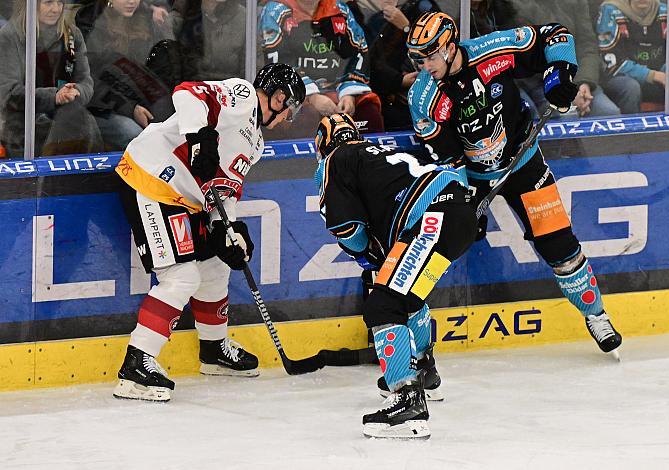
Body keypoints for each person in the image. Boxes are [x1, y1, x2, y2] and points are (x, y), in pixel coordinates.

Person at [405, 13, 623, 358]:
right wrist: (462, 198)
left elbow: (555, 35)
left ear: (450, 46)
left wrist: (559, 74)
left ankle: (596, 315)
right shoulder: (423, 98)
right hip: (473, 179)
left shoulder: (491, 50)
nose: (425, 65)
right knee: (440, 246)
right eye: (420, 59)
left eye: (431, 56)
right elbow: (445, 156)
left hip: (522, 161)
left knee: (557, 240)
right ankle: (414, 335)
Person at [112, 63, 306, 402]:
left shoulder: (256, 144)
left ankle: (214, 348)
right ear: (277, 97)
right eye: (288, 108)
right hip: (151, 178)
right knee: (182, 277)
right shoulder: (243, 96)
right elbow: (187, 91)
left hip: (183, 197)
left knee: (216, 263)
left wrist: (227, 228)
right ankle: (135, 365)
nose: (286, 117)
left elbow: (224, 190)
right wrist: (199, 137)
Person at [313, 113, 477, 439]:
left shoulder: (334, 160)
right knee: (406, 296)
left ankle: (406, 400)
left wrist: (364, 254)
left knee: (383, 305)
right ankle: (425, 373)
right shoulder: (381, 152)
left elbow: (346, 228)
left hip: (431, 218)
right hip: (456, 211)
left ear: (322, 146)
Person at [259, 0, 384, 137]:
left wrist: (349, 94)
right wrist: (311, 96)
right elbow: (277, 61)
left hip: (337, 91)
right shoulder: (275, 11)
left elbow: (358, 51)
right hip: (293, 92)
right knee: (306, 117)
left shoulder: (340, 9)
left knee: (369, 112)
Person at [0, 0, 103, 157]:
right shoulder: (11, 36)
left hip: (68, 116)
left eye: (60, 3)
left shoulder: (72, 34)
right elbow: (8, 93)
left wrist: (75, 91)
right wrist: (54, 96)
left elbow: (86, 81)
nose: (55, 9)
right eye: (48, 2)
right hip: (23, 125)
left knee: (82, 121)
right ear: (31, 5)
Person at [79, 0, 176, 150]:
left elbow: (158, 71)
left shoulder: (149, 21)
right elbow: (92, 82)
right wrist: (130, 108)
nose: (131, 1)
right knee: (133, 133)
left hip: (140, 99)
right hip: (101, 105)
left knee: (171, 126)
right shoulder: (92, 25)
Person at [514, 0, 621, 117]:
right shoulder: (514, 6)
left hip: (578, 80)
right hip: (540, 83)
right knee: (567, 115)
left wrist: (584, 83)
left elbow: (587, 46)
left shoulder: (576, 3)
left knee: (609, 113)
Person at [597, 0, 669, 113]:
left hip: (664, 79)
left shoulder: (666, 11)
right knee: (631, 88)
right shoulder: (610, 10)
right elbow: (610, 62)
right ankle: (634, 129)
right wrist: (653, 75)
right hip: (624, 80)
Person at [369, 0, 440, 131]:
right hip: (389, 102)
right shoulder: (374, 19)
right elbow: (370, 62)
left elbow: (438, 49)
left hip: (427, 99)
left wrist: (406, 28)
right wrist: (398, 81)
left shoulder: (424, 7)